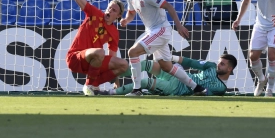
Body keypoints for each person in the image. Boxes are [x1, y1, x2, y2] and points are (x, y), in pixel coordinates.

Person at [120, 0, 206, 96]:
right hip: (152, 31)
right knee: (166, 66)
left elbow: (169, 7)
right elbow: (131, 13)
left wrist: (179, 26)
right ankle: (197, 87)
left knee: (133, 52)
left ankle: (136, 90)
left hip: (161, 30)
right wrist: (126, 20)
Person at [66, 0, 128, 96]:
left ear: (118, 16)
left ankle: (93, 86)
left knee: (123, 64)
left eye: (113, 10)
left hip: (93, 62)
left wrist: (116, 81)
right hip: (76, 58)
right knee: (100, 52)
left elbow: (112, 57)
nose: (109, 11)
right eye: (109, 8)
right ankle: (89, 85)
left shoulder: (114, 32)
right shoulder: (94, 13)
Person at [101, 54, 237, 96]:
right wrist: (171, 57)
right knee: (145, 64)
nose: (219, 65)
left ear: (230, 69)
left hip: (176, 88)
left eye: (223, 64)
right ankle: (112, 73)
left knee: (144, 82)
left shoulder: (221, 88)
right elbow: (191, 62)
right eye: (220, 62)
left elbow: (203, 94)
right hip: (177, 74)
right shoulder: (211, 66)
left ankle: (110, 93)